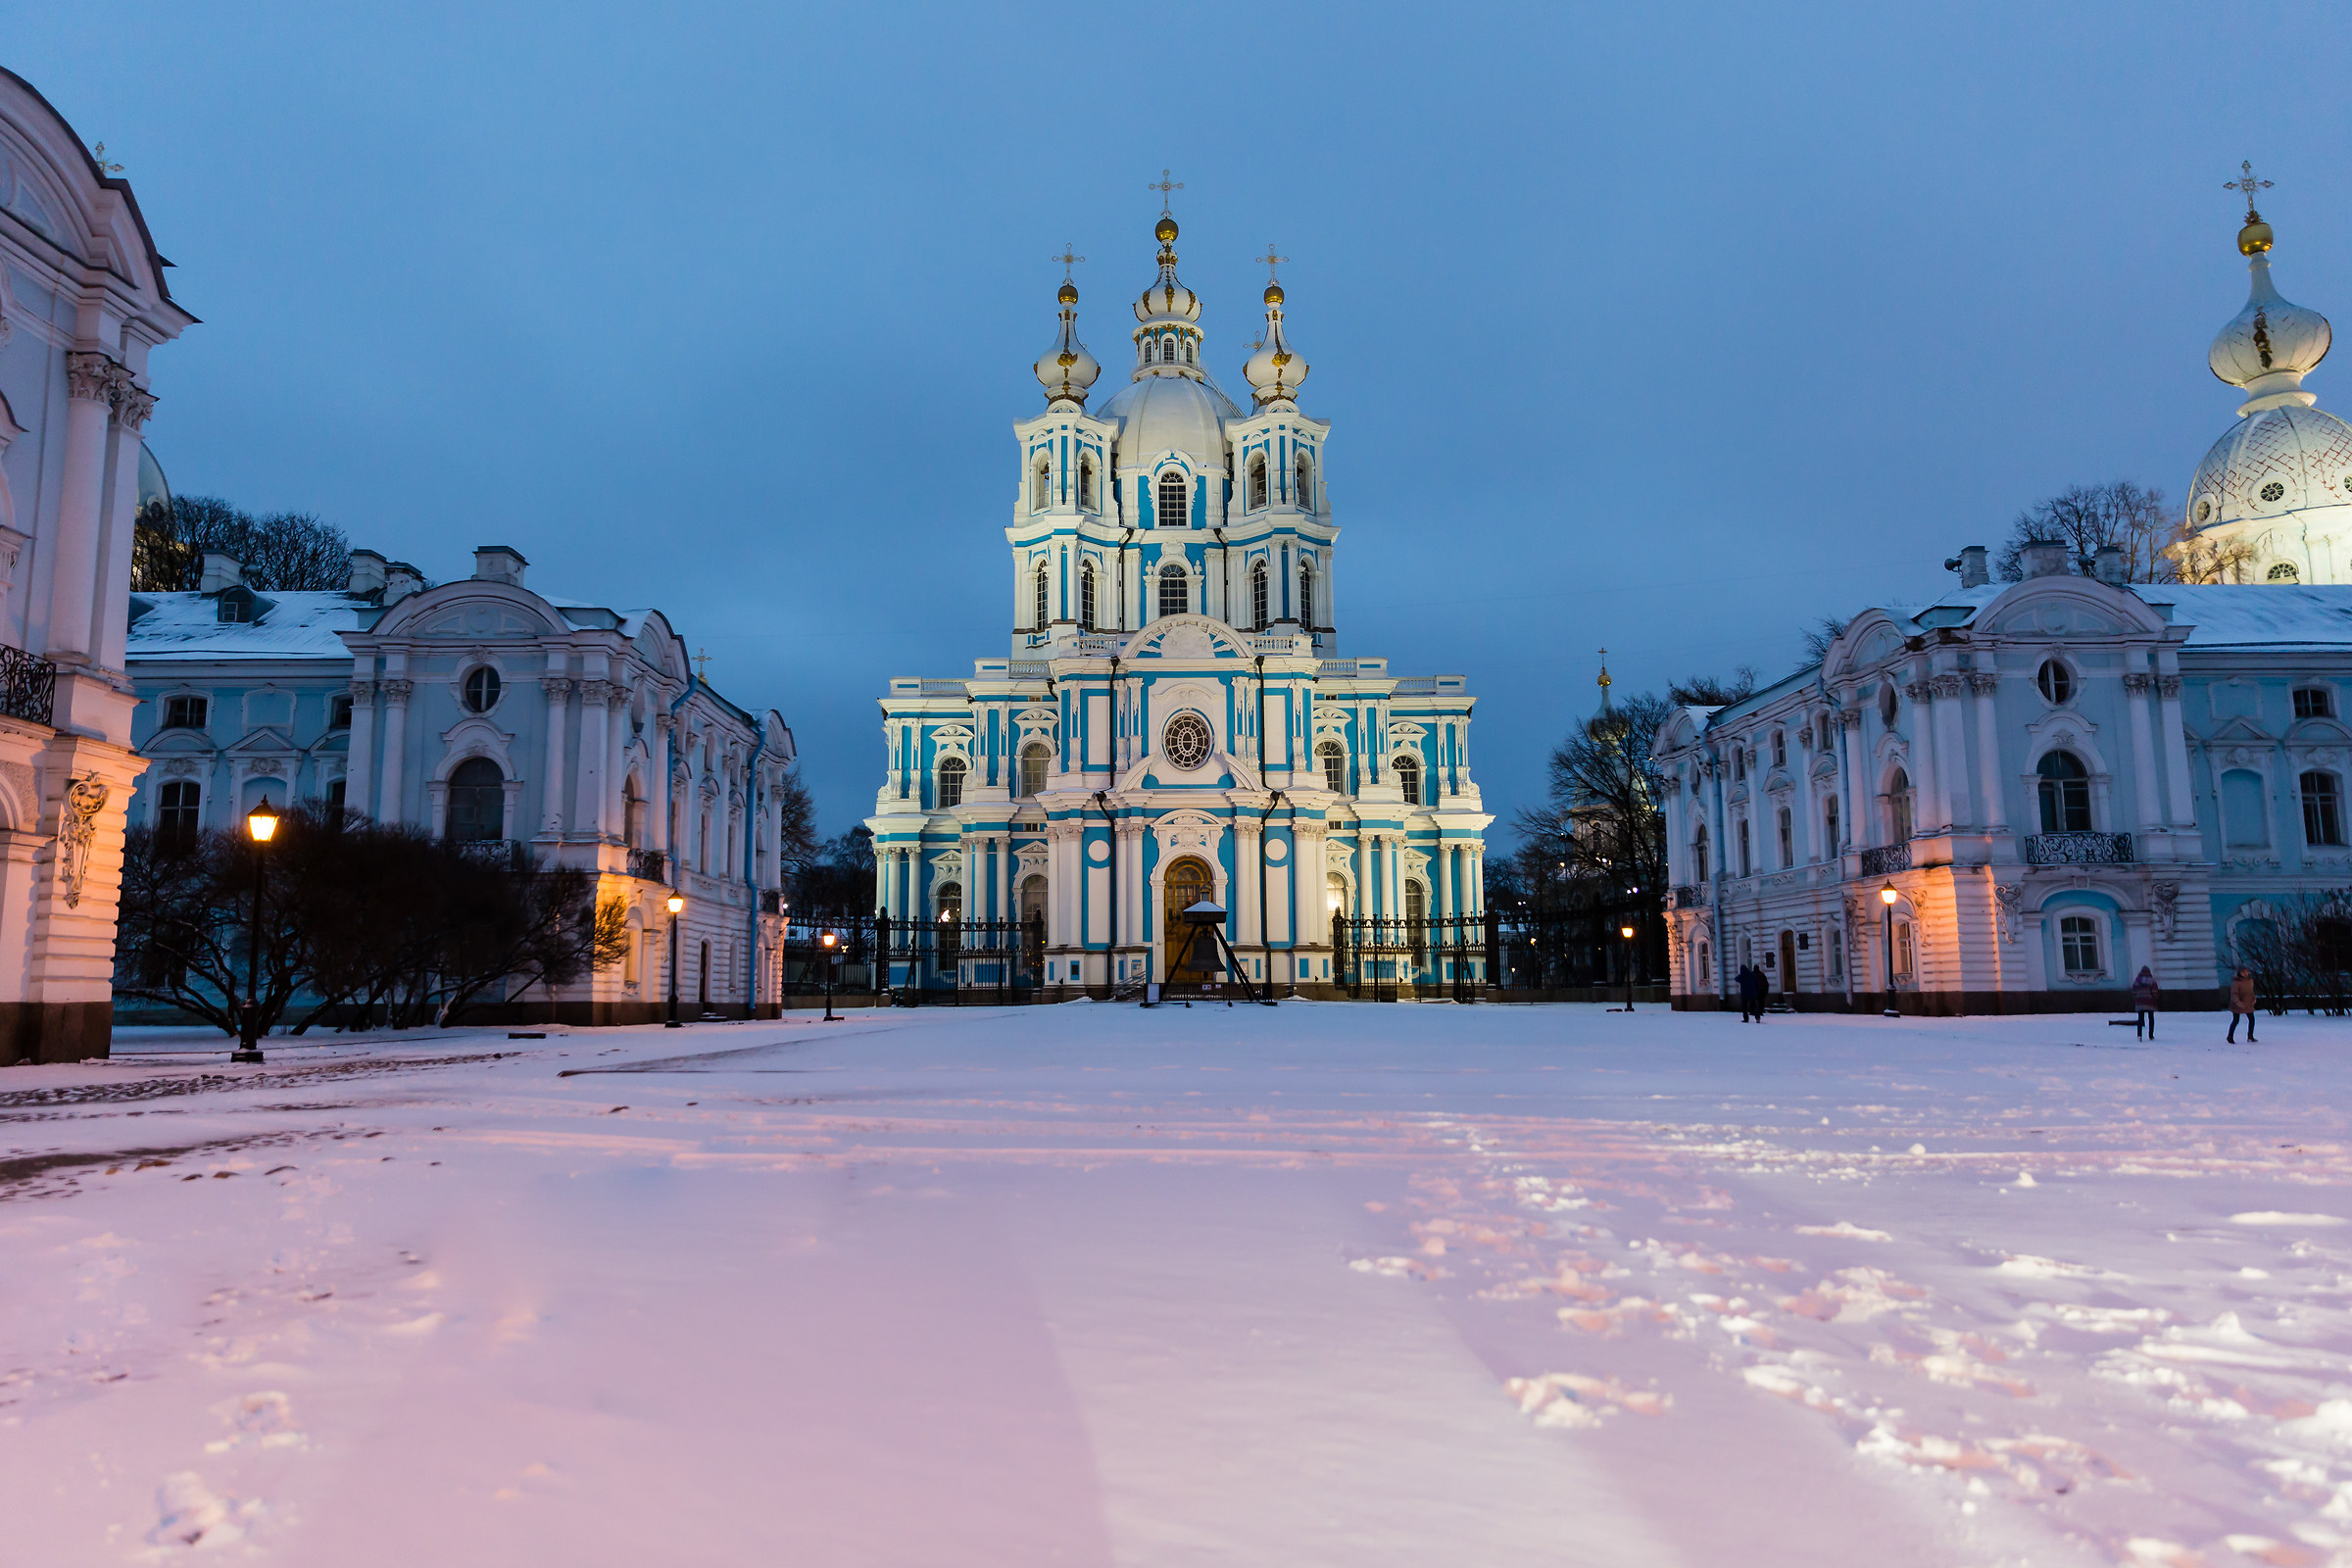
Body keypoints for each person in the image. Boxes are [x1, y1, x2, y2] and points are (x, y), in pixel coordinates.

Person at [2227, 965, 2259, 1043]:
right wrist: (2238, 1002)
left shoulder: (2250, 980)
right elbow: (2234, 994)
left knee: (2251, 1020)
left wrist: (2253, 998)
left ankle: (2250, 1036)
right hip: (2237, 1004)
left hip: (2248, 1003)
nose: (2245, 973)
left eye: (2247, 971)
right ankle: (2230, 1036)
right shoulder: (2237, 982)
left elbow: (2251, 991)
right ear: (2239, 973)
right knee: (2236, 1020)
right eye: (2243, 972)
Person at [2131, 965, 2158, 1040]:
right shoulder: (2152, 980)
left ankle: (2139, 1035)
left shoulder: (2137, 980)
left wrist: (2136, 998)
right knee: (2151, 1018)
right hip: (2149, 1001)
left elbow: (2134, 991)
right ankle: (2151, 1035)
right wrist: (2154, 998)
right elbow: (2155, 991)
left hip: (2140, 1001)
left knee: (2140, 1018)